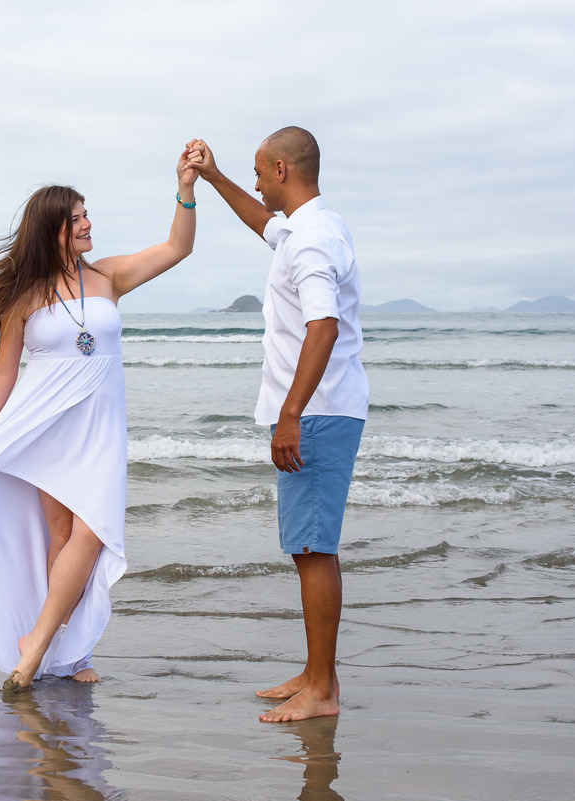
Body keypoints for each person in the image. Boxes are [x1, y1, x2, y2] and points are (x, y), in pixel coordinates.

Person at [0, 142, 205, 694]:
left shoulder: (109, 276)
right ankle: (66, 654)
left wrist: (185, 189)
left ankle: (36, 645)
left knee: (92, 533)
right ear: (52, 230)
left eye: (86, 214)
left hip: (100, 426)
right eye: (76, 219)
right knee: (62, 534)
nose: (88, 224)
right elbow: (4, 372)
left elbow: (177, 247)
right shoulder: (24, 296)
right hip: (46, 423)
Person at [189, 127, 368, 722]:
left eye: (259, 172)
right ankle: (318, 674)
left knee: (313, 549)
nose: (258, 181)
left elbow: (324, 327)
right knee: (309, 547)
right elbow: (261, 222)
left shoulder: (311, 240)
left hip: (315, 412)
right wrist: (214, 177)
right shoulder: (306, 228)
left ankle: (321, 691)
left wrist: (290, 414)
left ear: (282, 170)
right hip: (321, 408)